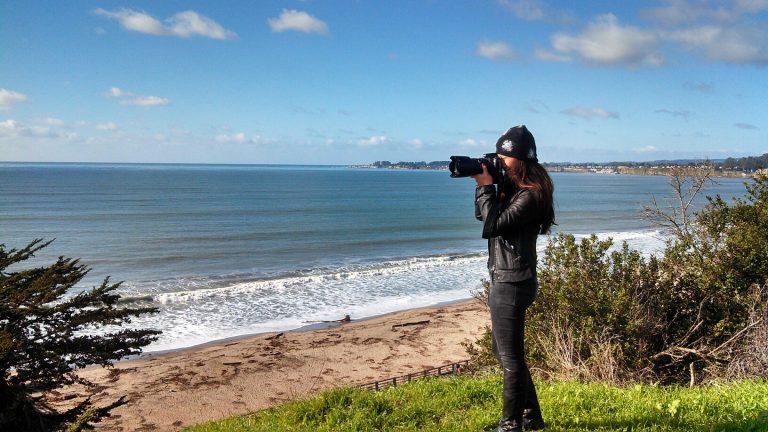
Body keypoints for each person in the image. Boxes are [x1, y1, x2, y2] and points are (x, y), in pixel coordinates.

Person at [471, 125, 555, 432]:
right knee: (505, 353)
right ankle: (531, 417)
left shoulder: (530, 197)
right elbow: (483, 216)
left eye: (502, 156)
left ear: (519, 159)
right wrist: (487, 184)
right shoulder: (516, 191)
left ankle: (510, 425)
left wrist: (485, 186)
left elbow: (491, 226)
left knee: (509, 359)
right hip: (507, 280)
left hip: (513, 283)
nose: (497, 160)